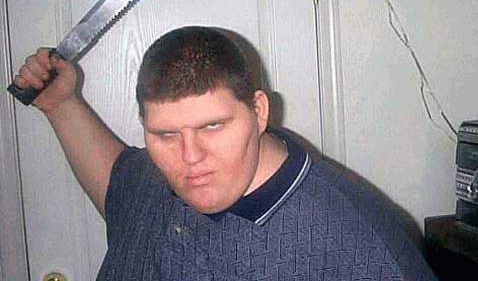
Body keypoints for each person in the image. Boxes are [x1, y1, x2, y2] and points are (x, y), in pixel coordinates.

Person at [12, 26, 437, 280]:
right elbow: (119, 188)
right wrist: (61, 105)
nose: (189, 157)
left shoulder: (362, 251)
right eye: (165, 134)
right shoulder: (150, 179)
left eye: (212, 126)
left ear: (258, 111)